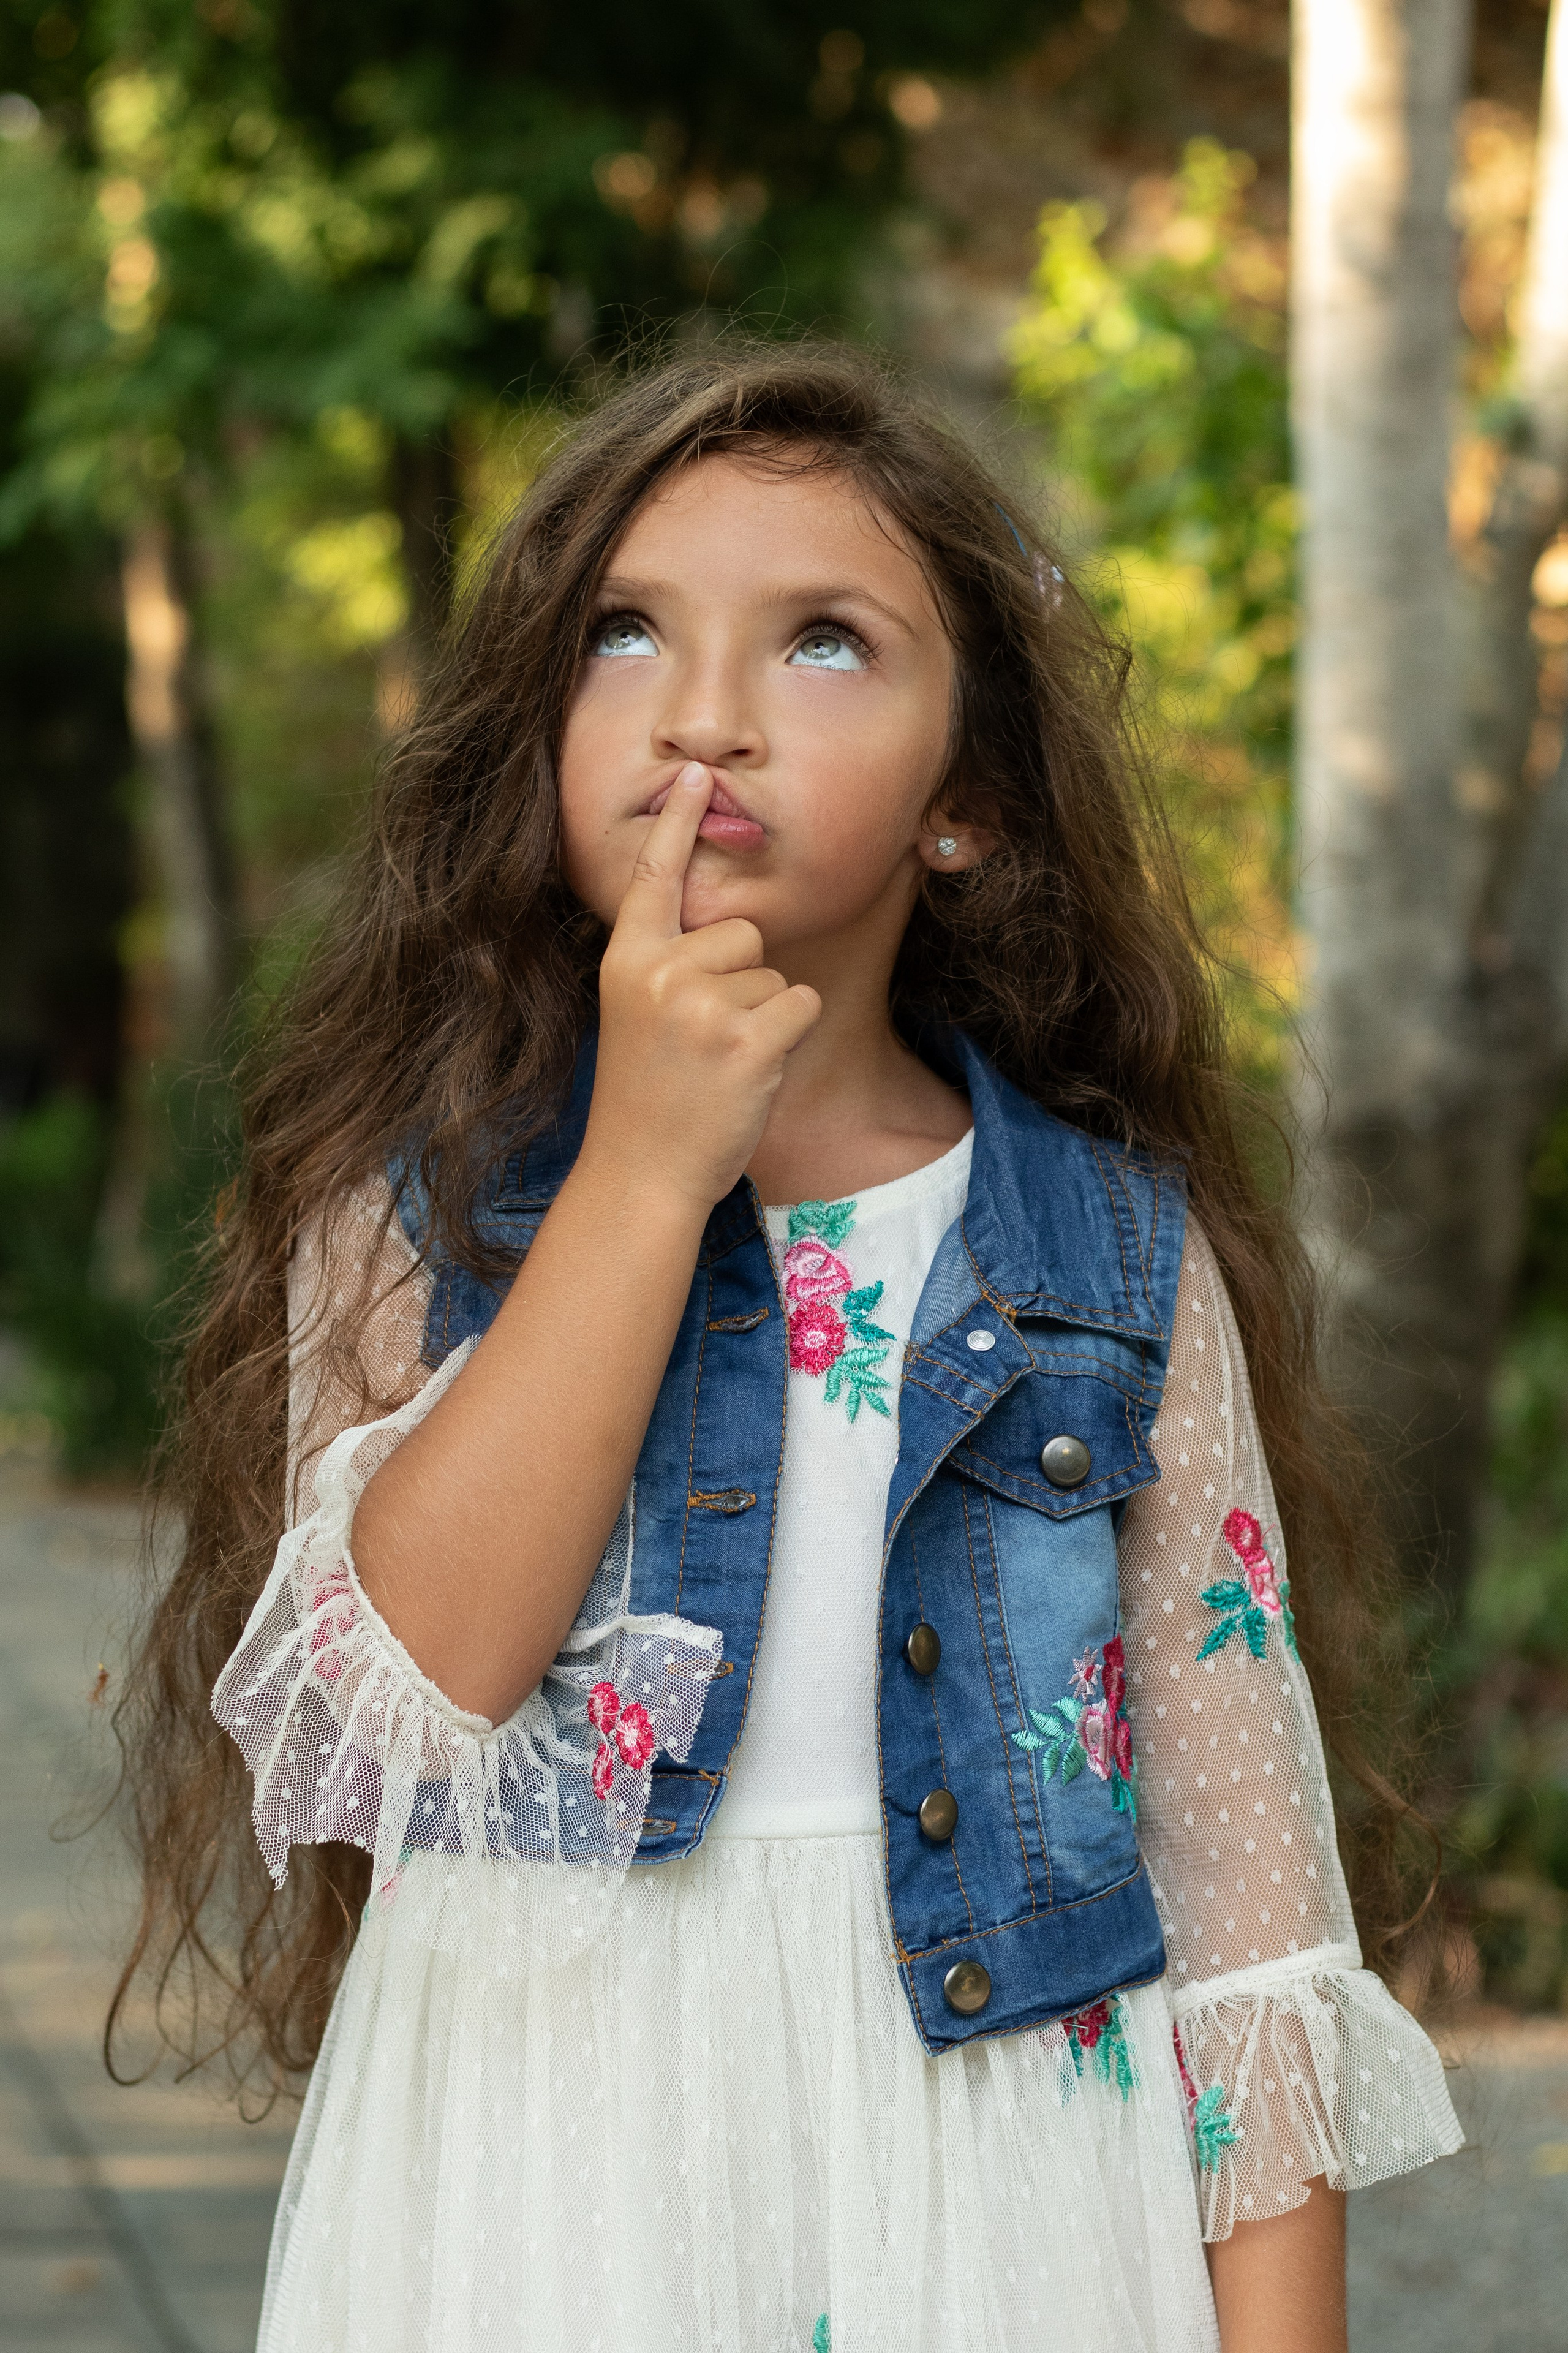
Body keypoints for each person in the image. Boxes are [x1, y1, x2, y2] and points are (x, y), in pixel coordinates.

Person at [115, 346, 1462, 2353]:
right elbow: (422, 1677)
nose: (709, 714)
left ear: (969, 802)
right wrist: (651, 1166)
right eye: (627, 635)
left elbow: (1257, 1929)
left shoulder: (1109, 1258)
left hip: (999, 2201)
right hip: (546, 2189)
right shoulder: (413, 1215)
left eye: (823, 642)